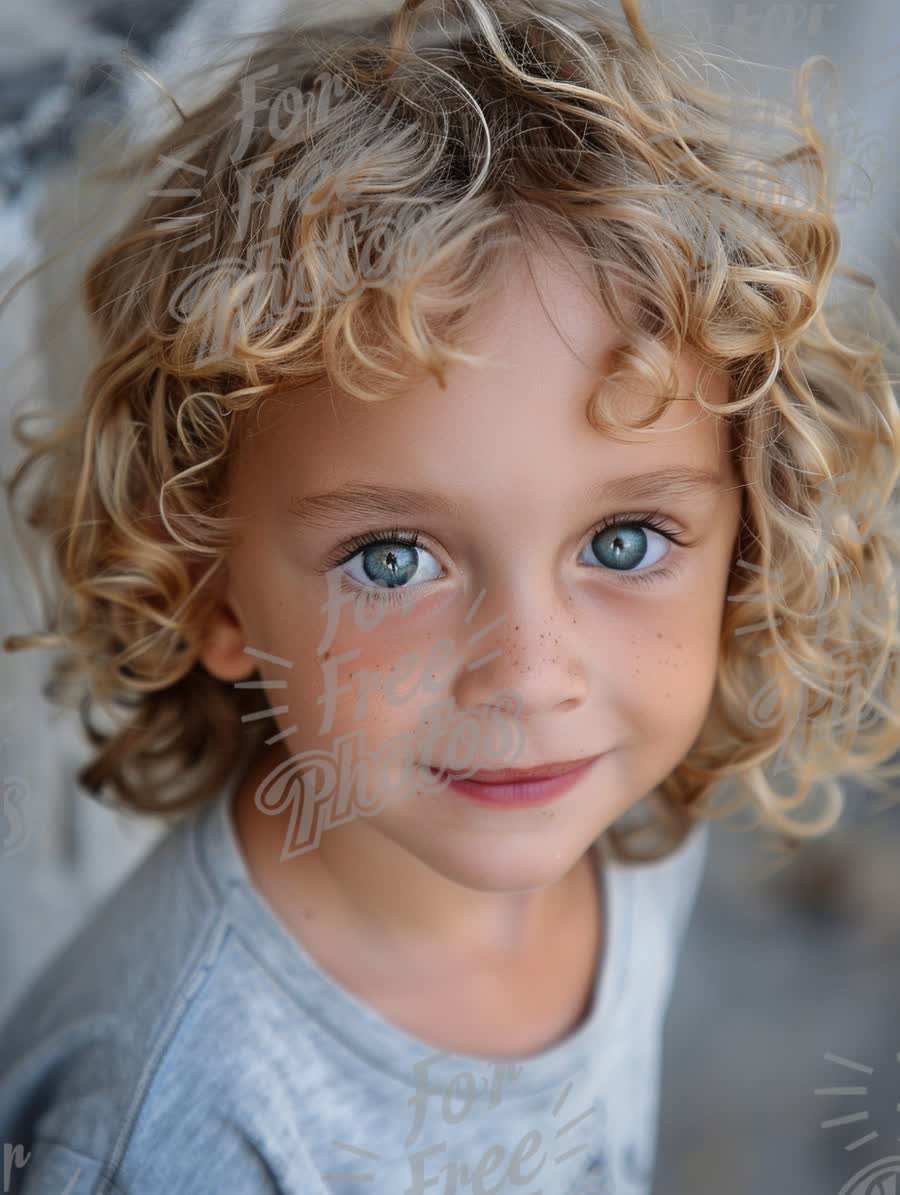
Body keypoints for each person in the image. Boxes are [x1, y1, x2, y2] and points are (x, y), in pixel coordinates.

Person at [1, 1, 899, 1191]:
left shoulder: (618, 821)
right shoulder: (181, 1114)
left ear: (749, 529)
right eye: (392, 561)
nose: (531, 674)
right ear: (206, 584)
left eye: (625, 540)